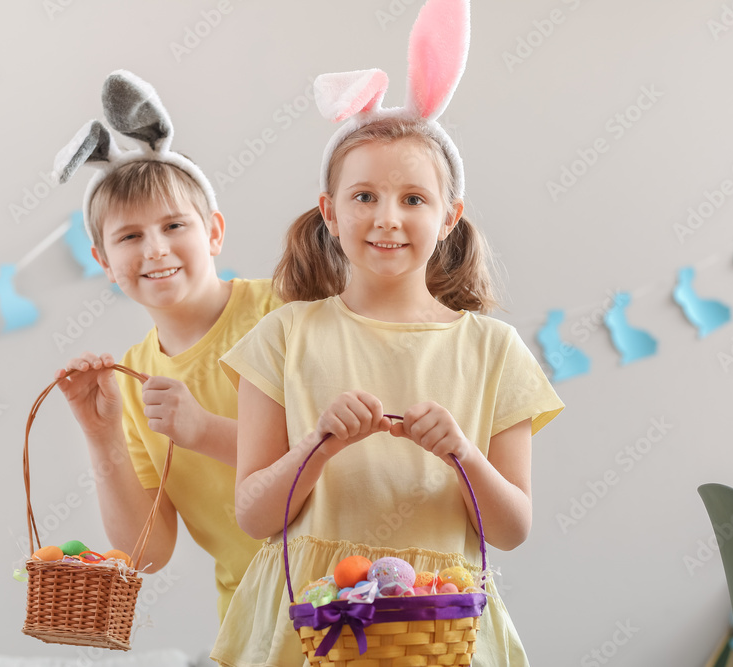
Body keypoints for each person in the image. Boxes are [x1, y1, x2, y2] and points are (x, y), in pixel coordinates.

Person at [210, 2, 564, 664]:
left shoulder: (494, 351)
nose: (387, 217)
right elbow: (256, 515)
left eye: (413, 198)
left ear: (450, 215)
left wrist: (462, 450)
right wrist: (316, 444)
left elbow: (512, 528)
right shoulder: (283, 336)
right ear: (330, 211)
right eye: (364, 195)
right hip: (306, 627)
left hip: (440, 625)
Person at [50, 70, 281, 622]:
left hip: (362, 605)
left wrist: (202, 429)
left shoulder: (282, 312)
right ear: (104, 262)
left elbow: (339, 453)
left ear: (214, 233)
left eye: (175, 225)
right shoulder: (132, 378)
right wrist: (100, 433)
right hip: (253, 627)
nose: (155, 249)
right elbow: (146, 553)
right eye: (129, 236)